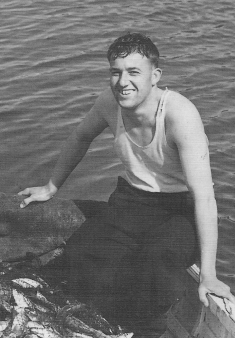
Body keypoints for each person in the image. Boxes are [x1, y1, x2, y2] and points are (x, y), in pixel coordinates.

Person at [19, 33, 235, 331]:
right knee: (81, 253)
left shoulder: (180, 115)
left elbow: (205, 198)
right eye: (115, 72)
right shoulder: (109, 102)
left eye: (134, 72)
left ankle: (144, 329)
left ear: (155, 76)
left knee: (154, 261)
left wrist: (208, 274)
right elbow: (80, 137)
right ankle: (96, 323)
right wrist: (51, 186)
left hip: (181, 210)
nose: (123, 82)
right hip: (132, 200)